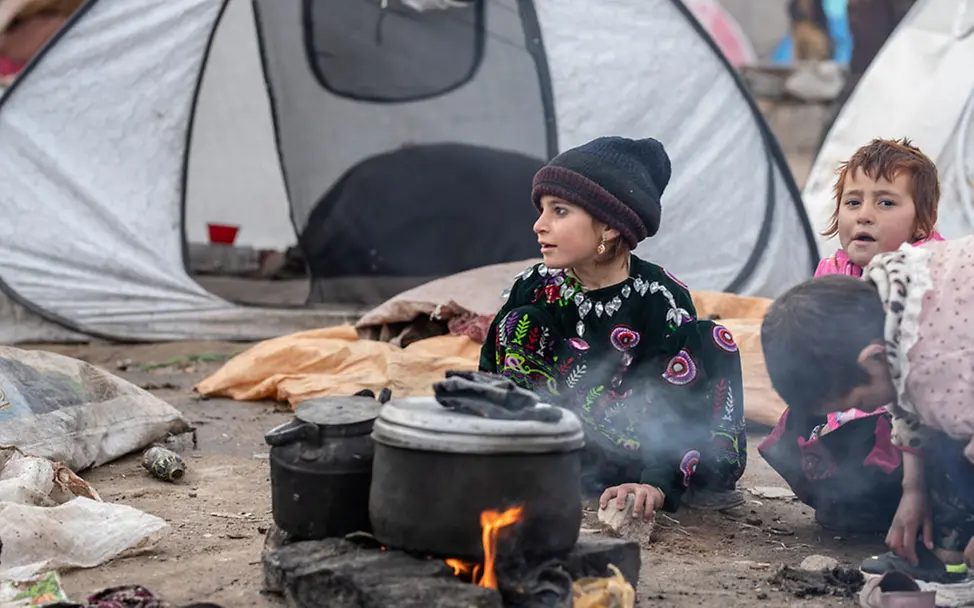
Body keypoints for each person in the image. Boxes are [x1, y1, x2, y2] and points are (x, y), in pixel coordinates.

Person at [479, 136, 748, 521]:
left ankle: (687, 483)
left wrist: (655, 482)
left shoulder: (660, 297)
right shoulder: (535, 286)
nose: (539, 225)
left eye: (559, 211)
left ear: (608, 227)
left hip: (648, 448)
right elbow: (491, 372)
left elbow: (675, 399)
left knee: (711, 339)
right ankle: (525, 460)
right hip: (566, 446)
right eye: (541, 210)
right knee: (519, 323)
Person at [761, 235, 974, 585]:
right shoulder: (890, 302)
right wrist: (914, 490)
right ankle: (949, 554)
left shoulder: (938, 363)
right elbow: (908, 409)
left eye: (859, 403)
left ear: (873, 358)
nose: (868, 409)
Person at [759, 137, 944, 534]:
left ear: (922, 221)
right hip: (845, 411)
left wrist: (853, 416)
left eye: (886, 203)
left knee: (870, 432)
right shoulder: (834, 272)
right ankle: (848, 502)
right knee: (801, 412)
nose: (864, 216)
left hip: (910, 423)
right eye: (853, 201)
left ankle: (911, 508)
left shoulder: (928, 280)